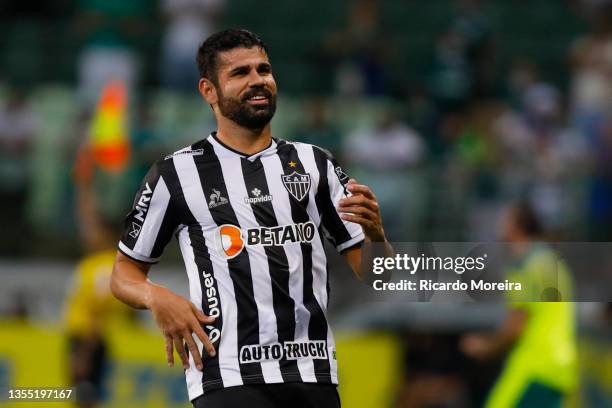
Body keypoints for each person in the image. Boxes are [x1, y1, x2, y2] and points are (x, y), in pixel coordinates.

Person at [110, 29, 392, 408]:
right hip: (227, 376)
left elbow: (379, 274)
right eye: (240, 73)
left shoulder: (315, 164)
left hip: (313, 374)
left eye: (264, 69)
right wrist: (155, 296)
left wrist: (376, 236)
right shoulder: (175, 174)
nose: (258, 80)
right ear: (208, 90)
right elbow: (123, 274)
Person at [460, 203, 577, 408]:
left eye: (505, 219)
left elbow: (516, 326)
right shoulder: (551, 261)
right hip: (558, 368)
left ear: (516, 226)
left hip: (534, 367)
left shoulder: (528, 266)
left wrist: (485, 347)